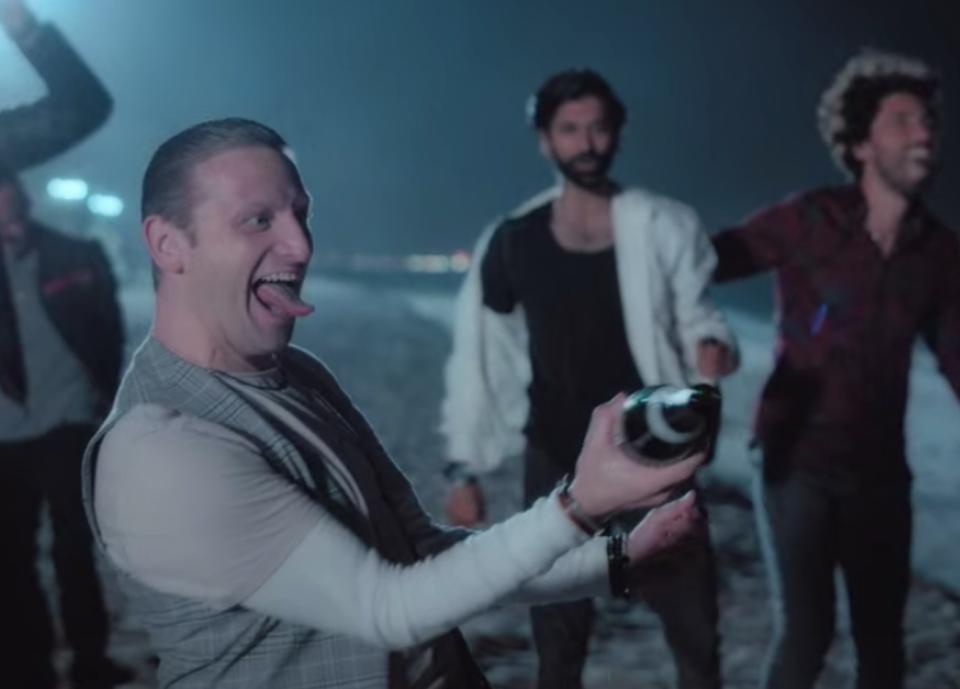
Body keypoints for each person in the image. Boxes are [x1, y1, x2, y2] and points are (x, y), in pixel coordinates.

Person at [79, 116, 709, 689]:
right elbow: (387, 608)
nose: (300, 246)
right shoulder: (158, 452)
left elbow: (420, 554)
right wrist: (581, 504)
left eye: (303, 215)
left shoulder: (298, 373)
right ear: (167, 245)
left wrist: (617, 560)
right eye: (258, 220)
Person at [439, 69, 739, 689]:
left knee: (697, 638)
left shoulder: (665, 224)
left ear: (617, 134)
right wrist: (465, 465)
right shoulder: (512, 241)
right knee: (559, 645)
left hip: (658, 455)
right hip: (557, 457)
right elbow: (482, 356)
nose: (588, 143)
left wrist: (714, 349)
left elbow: (698, 315)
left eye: (599, 127)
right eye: (571, 130)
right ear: (546, 141)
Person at [710, 49, 960, 689]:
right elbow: (705, 263)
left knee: (882, 644)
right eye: (903, 120)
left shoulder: (939, 252)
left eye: (928, 119)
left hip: (880, 473)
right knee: (808, 632)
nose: (925, 132)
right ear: (859, 141)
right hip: (796, 464)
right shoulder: (809, 219)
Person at [0, 1, 133, 687]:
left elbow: (82, 105)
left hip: (50, 417)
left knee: (70, 546)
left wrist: (26, 31)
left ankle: (79, 661)